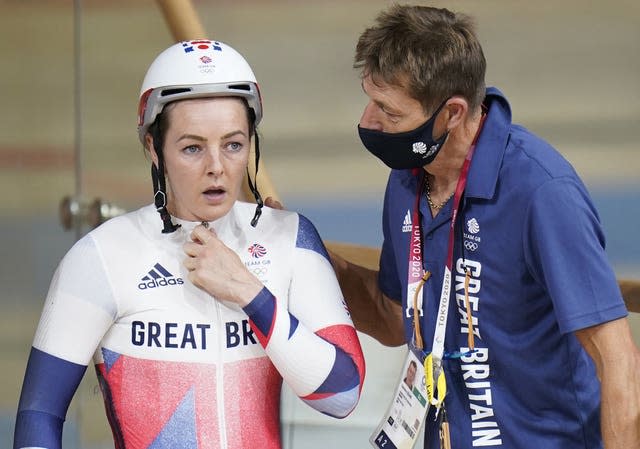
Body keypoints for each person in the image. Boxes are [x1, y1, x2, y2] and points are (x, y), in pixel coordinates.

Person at [14, 39, 365, 449]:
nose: (216, 167)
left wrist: (249, 293)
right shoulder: (101, 257)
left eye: (233, 144)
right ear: (153, 148)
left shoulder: (290, 238)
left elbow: (342, 396)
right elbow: (40, 416)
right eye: (192, 148)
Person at [328, 5, 640, 449]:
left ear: (452, 113)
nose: (368, 121)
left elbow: (617, 361)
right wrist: (301, 259)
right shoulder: (408, 180)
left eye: (388, 111)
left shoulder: (541, 192)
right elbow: (393, 316)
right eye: (370, 100)